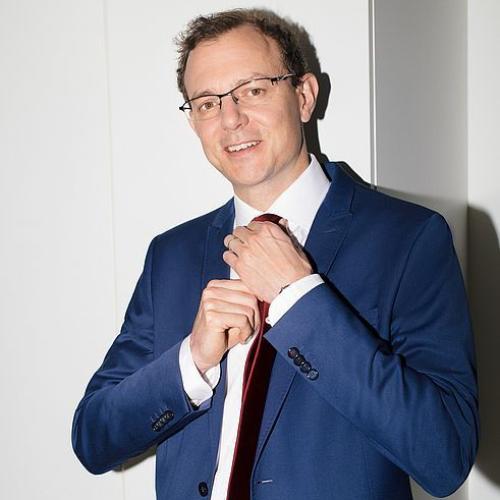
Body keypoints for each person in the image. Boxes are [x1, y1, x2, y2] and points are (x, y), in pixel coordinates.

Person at [72, 8, 479, 500]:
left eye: (253, 90)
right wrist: (192, 361)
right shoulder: (171, 255)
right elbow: (93, 440)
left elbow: (444, 456)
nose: (231, 119)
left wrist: (300, 299)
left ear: (304, 96)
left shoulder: (408, 240)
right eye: (207, 103)